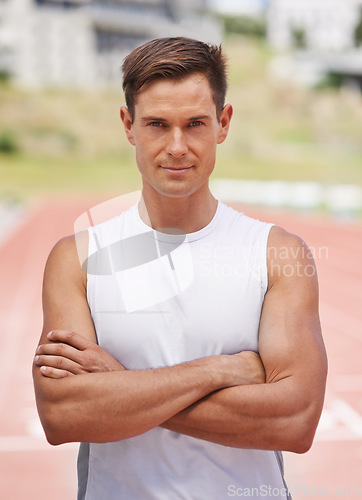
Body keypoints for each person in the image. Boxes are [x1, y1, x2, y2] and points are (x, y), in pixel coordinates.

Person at [33, 37, 327, 499]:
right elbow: (63, 415)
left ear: (223, 124)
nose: (176, 146)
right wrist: (217, 371)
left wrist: (119, 389)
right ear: (128, 125)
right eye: (156, 124)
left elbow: (294, 420)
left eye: (194, 124)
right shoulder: (78, 259)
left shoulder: (276, 254)